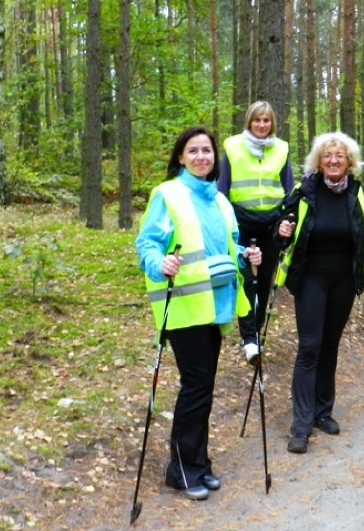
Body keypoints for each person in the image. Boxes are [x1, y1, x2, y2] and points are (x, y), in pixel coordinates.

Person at [135, 126, 262, 501]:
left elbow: (229, 245)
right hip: (184, 306)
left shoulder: (220, 201)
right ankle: (181, 470)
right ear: (181, 157)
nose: (202, 156)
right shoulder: (168, 194)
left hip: (216, 305)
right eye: (194, 151)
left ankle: (197, 463)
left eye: (207, 151)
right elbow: (147, 242)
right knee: (195, 386)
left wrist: (246, 256)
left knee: (202, 388)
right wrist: (161, 263)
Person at [275, 131, 364, 454]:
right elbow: (282, 233)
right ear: (319, 161)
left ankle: (322, 412)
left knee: (330, 345)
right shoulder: (304, 191)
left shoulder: (359, 193)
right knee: (310, 346)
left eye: (340, 156)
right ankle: (301, 424)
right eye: (328, 155)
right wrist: (281, 231)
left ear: (349, 161)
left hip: (344, 279)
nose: (334, 160)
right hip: (311, 278)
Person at [218, 101, 294, 362]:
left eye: (266, 121)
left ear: (272, 123)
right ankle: (249, 339)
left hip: (271, 225)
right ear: (249, 122)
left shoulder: (282, 149)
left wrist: (287, 219)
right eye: (257, 120)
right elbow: (222, 189)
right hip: (241, 223)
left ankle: (256, 332)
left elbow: (289, 190)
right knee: (246, 281)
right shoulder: (232, 147)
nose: (262, 125)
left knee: (264, 281)